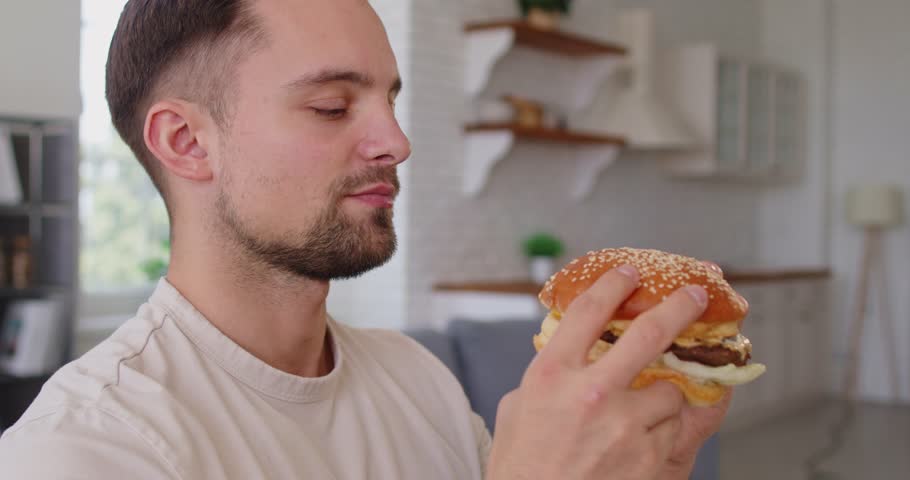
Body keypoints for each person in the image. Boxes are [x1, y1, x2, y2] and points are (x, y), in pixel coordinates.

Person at [0, 1, 731, 478]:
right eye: (331, 105)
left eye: (389, 101)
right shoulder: (83, 449)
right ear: (187, 141)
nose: (396, 141)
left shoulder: (417, 381)